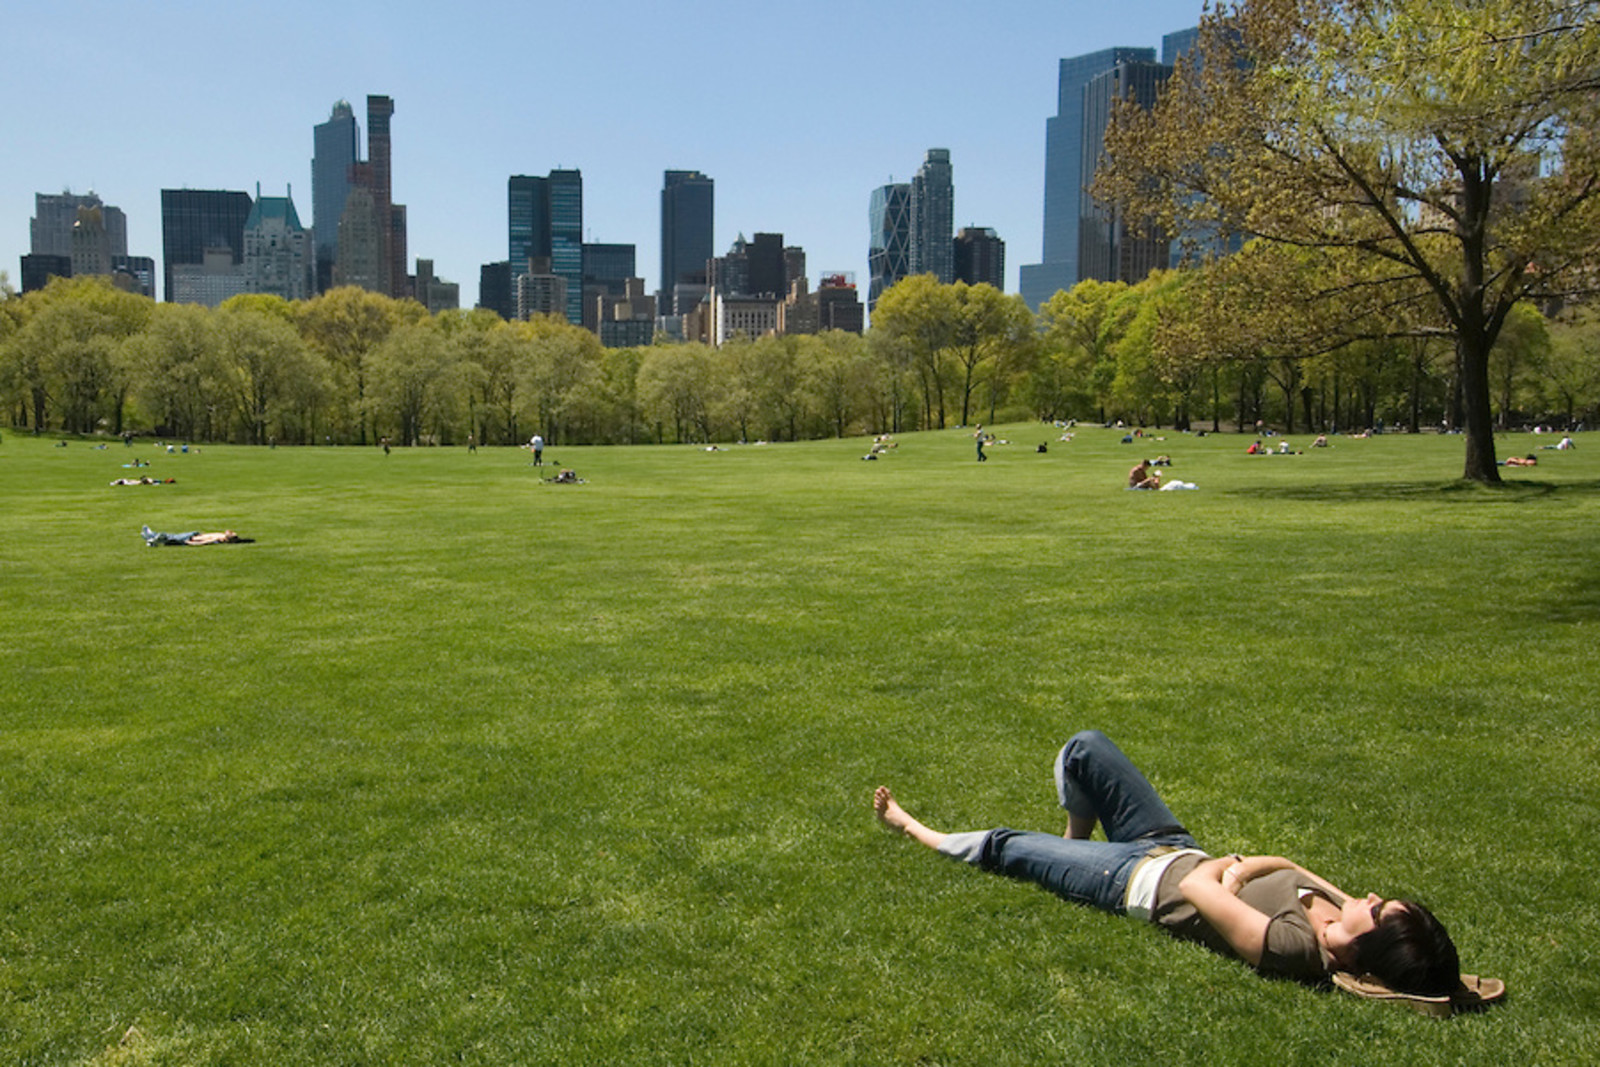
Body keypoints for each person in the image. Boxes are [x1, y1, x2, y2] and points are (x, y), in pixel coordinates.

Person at [873, 731, 1497, 1008]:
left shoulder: (1293, 949)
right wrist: (1246, 868)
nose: (1367, 895)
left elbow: (1200, 889)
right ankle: (1071, 845)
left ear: (1368, 947)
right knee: (1085, 747)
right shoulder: (1339, 915)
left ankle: (914, 827)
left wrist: (1229, 874)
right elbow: (1286, 864)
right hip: (1170, 844)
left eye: (1379, 910)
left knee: (1009, 846)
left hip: (1131, 880)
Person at [141, 525, 247, 546]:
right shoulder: (222, 535)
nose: (230, 531)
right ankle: (151, 538)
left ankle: (152, 537)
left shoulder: (219, 538)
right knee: (172, 537)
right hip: (193, 535)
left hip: (191, 538)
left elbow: (205, 542)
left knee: (171, 537)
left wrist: (191, 543)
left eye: (231, 533)